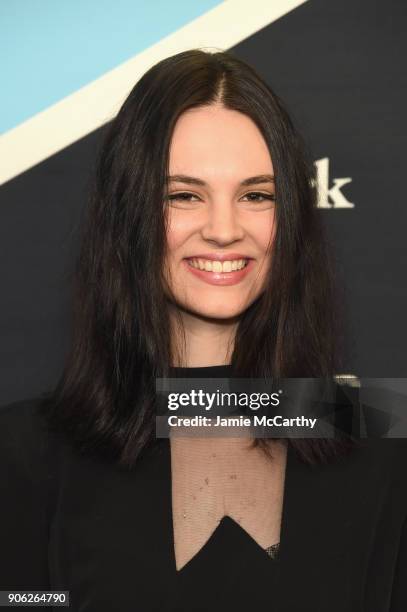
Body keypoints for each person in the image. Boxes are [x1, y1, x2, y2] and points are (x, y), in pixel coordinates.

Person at [0, 49, 406, 611]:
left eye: (256, 195)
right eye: (184, 195)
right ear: (128, 211)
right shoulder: (24, 452)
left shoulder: (383, 433)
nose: (223, 229)